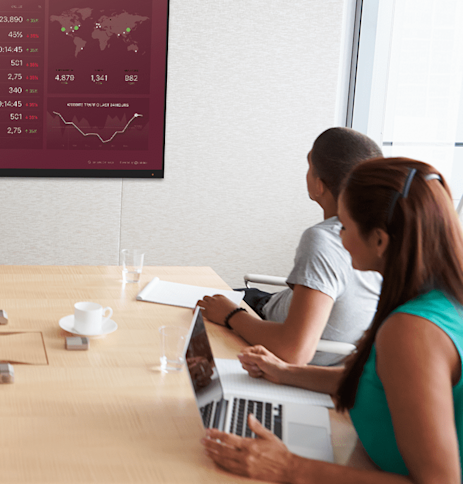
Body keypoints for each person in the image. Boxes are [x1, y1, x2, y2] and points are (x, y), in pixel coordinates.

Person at [202, 157, 463, 483]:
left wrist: (289, 467)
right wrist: (286, 373)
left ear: (380, 240)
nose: (339, 237)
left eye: (345, 226)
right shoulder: (437, 296)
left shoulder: (412, 330)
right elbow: (376, 381)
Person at [198, 127, 383, 365]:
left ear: (319, 185)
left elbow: (293, 350)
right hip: (275, 309)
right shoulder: (385, 234)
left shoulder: (324, 239)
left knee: (189, 314)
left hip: (265, 325)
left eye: (309, 166)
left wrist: (232, 315)